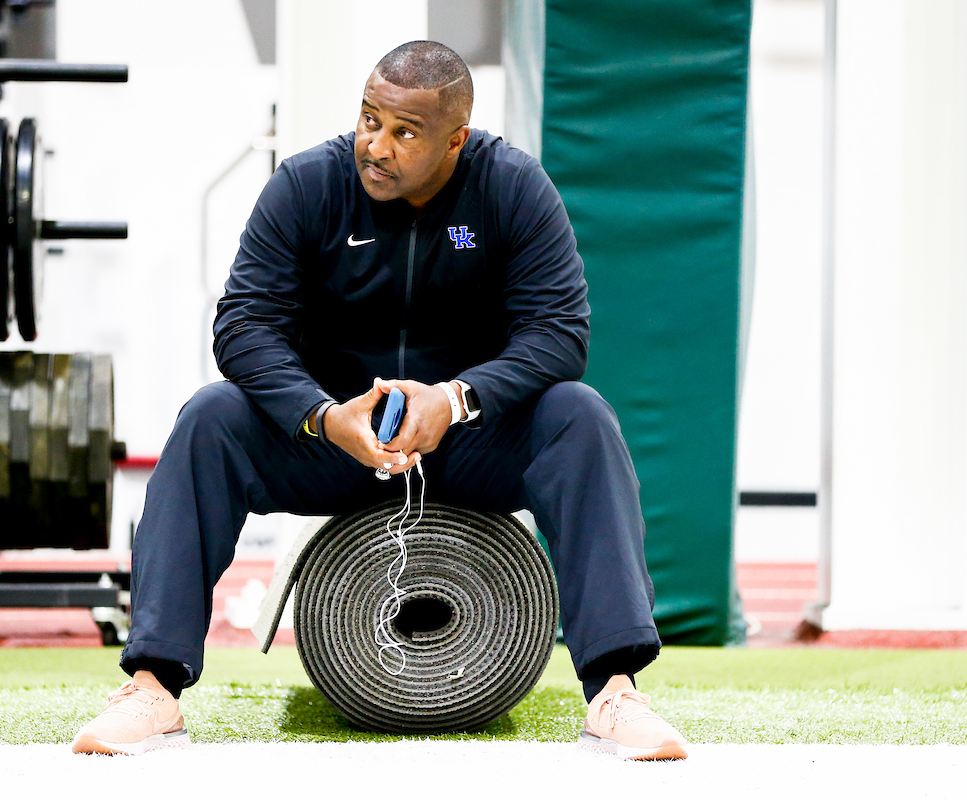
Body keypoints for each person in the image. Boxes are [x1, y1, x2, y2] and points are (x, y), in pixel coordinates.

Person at [73, 40, 688, 761]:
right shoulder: (306, 186)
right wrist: (324, 415)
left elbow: (559, 334)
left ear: (454, 139)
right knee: (210, 419)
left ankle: (615, 691)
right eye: (370, 121)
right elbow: (243, 325)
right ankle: (153, 686)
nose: (378, 145)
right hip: (333, 439)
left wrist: (457, 399)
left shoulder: (513, 190)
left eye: (405, 132)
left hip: (467, 440)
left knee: (581, 417)